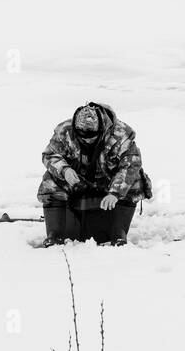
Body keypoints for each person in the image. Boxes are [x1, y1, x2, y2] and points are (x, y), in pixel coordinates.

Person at [38, 102, 151, 247]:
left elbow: (131, 165)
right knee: (50, 180)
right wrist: (65, 170)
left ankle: (119, 234)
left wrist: (115, 193)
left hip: (108, 182)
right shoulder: (64, 131)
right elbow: (50, 154)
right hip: (77, 181)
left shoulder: (121, 134)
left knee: (135, 181)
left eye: (91, 136)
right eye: (82, 137)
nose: (87, 140)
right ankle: (55, 234)